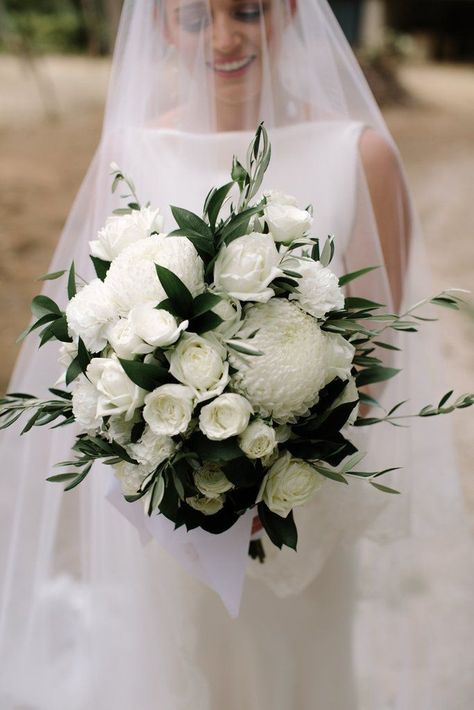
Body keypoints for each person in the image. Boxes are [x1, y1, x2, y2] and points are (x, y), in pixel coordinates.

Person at [0, 2, 472, 708]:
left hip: (299, 513)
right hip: (171, 518)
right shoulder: (131, 153)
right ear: (161, 25)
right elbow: (100, 333)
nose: (223, 38)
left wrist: (274, 461)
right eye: (194, 19)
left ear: (288, 11)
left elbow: (375, 349)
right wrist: (176, 460)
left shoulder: (357, 154)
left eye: (248, 12)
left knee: (296, 676)